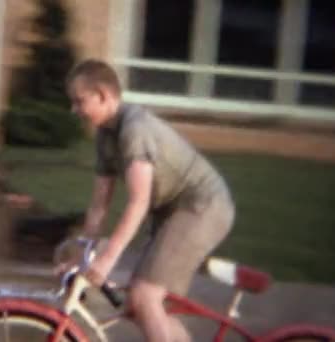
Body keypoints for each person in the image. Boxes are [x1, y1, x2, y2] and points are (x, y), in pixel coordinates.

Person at [61, 59, 235, 342]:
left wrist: (106, 260)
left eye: (79, 101)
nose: (74, 109)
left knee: (145, 295)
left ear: (103, 95)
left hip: (202, 206)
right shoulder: (106, 134)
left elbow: (138, 202)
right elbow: (99, 204)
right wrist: (84, 253)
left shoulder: (134, 130)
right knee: (146, 307)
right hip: (172, 209)